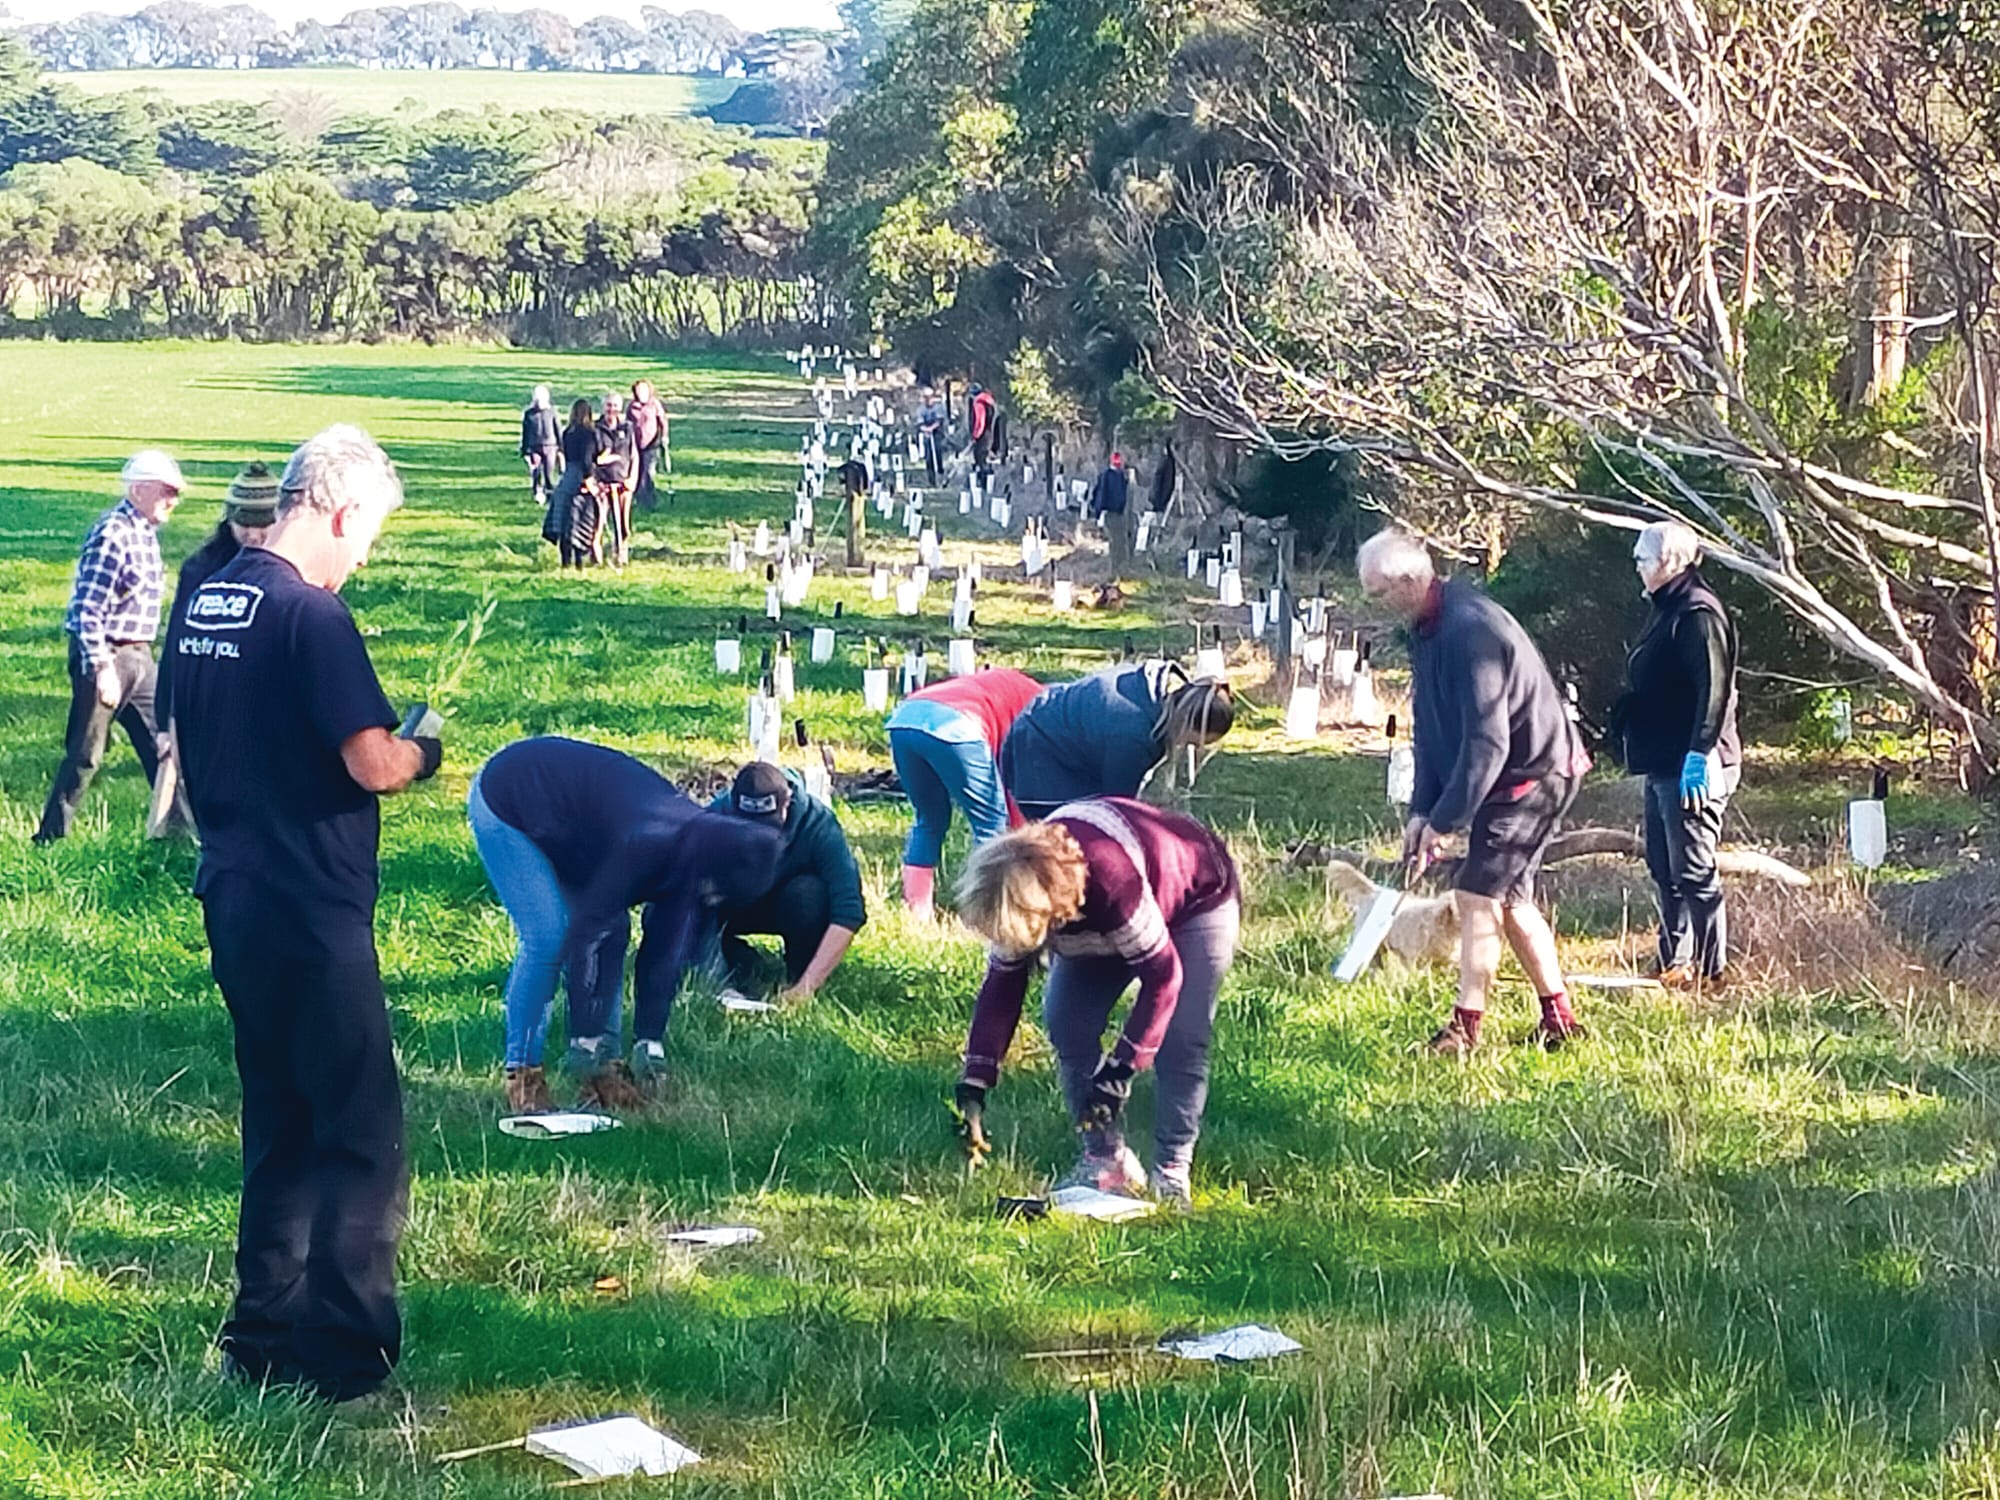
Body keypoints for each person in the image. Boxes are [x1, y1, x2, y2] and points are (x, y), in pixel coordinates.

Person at [171, 425, 441, 1404]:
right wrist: (424, 751)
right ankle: (343, 1353)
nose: (363, 554)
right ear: (339, 511)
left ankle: (260, 1334)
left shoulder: (211, 597)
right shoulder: (309, 615)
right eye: (367, 534)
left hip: (234, 892)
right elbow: (368, 760)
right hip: (313, 909)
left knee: (277, 1122)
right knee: (360, 1135)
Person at [1356, 529, 1590, 1055]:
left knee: (1475, 894)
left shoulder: (1469, 631)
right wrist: (1423, 809)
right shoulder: (1426, 628)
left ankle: (1466, 1029)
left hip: (1535, 773)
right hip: (1506, 774)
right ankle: (1560, 1018)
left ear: (1410, 581)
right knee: (1508, 899)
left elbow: (1488, 742)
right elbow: (1432, 728)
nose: (1376, 606)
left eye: (1378, 594)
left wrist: (1446, 821)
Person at [952, 798, 1240, 1209]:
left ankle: (1172, 1170)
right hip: (1094, 921)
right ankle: (1105, 1161)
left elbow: (1163, 976)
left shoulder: (1110, 880)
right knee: (1067, 1020)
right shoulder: (1013, 889)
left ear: (1044, 909)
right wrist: (975, 1079)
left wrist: (1121, 1068)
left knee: (1182, 1035)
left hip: (1194, 900)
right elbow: (1003, 983)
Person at [469, 737, 782, 1109]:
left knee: (616, 930)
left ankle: (604, 1074)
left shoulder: (700, 856)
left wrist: (649, 1042)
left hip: (576, 826)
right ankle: (523, 1076)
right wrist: (582, 1038)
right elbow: (587, 931)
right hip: (510, 796)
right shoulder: (651, 842)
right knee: (549, 937)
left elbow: (662, 954)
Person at [1613, 520, 1741, 988]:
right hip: (1663, 761)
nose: (1637, 568)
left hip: (1694, 763)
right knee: (1665, 868)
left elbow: (1715, 689)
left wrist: (1699, 752)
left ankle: (1712, 974)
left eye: (1642, 559)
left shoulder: (1697, 614)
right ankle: (1674, 963)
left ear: (1669, 563)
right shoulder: (1667, 607)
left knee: (1694, 870)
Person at [34, 449, 184, 844]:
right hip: (109, 655)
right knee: (86, 754)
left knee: (164, 745)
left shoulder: (145, 535)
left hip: (140, 656)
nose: (174, 500)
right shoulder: (113, 533)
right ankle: (51, 838)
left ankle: (178, 836)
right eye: (167, 491)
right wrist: (102, 669)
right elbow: (86, 609)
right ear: (138, 490)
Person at [156, 462, 282, 830]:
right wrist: (166, 721)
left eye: (265, 525)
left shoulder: (290, 568)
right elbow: (178, 646)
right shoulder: (203, 568)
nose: (255, 535)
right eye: (245, 525)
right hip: (211, 693)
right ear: (229, 520)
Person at [702, 762, 866, 1004]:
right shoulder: (713, 819)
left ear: (787, 803)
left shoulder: (818, 823)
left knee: (810, 894)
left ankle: (800, 972)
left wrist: (806, 986)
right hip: (731, 903)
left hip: (787, 903)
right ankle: (736, 962)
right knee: (678, 905)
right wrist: (715, 982)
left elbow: (849, 909)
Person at [887, 667, 1044, 917]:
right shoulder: (1041, 710)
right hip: (958, 726)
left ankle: (917, 911)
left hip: (904, 719)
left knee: (928, 820)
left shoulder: (1010, 684)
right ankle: (989, 912)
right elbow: (1018, 777)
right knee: (992, 825)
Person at [1000, 661, 1234, 822]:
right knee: (1072, 845)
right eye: (1191, 742)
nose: (1186, 747)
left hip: (1044, 721)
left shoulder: (1153, 686)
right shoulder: (1134, 735)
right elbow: (1117, 808)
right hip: (1040, 759)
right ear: (1185, 722)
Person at [545, 399, 597, 568]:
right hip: (580, 479)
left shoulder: (568, 432)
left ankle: (565, 562)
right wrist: (589, 480)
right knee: (580, 520)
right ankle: (579, 563)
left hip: (566, 479)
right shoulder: (589, 434)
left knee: (564, 522)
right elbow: (587, 459)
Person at [593, 391, 636, 568]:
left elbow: (634, 454)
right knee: (598, 523)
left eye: (615, 406)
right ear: (604, 407)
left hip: (623, 483)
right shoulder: (595, 428)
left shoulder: (627, 427)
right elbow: (591, 456)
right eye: (609, 406)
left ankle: (621, 555)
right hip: (602, 484)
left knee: (623, 524)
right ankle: (596, 558)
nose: (612, 410)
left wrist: (632, 478)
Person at [1090, 452, 1133, 576]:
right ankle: (1114, 570)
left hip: (1120, 513)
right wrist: (1099, 513)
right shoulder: (1106, 476)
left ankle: (1123, 568)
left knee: (1122, 541)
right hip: (1110, 513)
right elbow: (1100, 495)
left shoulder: (1121, 477)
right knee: (1114, 542)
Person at [629, 379, 669, 510]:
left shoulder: (654, 405)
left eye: (644, 390)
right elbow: (628, 424)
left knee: (648, 472)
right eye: (639, 390)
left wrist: (664, 436)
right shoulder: (632, 406)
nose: (641, 393)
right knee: (637, 472)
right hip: (635, 444)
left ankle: (650, 500)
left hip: (652, 444)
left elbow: (663, 421)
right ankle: (638, 498)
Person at [520, 385, 561, 506]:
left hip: (550, 447)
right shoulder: (529, 414)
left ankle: (549, 494)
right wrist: (525, 450)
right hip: (534, 447)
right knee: (536, 471)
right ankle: (537, 492)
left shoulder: (551, 412)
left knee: (549, 472)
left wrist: (561, 447)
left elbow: (557, 429)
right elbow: (525, 432)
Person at [967, 383, 999, 482]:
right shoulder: (989, 402)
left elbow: (980, 421)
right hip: (989, 433)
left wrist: (976, 435)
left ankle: (983, 483)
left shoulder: (979, 403)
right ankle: (987, 482)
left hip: (982, 435)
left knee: (980, 459)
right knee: (985, 457)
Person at [916, 387, 945, 484]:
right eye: (925, 397)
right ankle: (931, 479)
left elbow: (939, 421)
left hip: (937, 434)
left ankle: (940, 475)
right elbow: (920, 424)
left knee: (937, 453)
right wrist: (925, 429)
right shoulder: (921, 409)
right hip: (927, 435)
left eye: (930, 397)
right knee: (929, 457)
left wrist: (932, 428)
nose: (928, 399)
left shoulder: (938, 407)